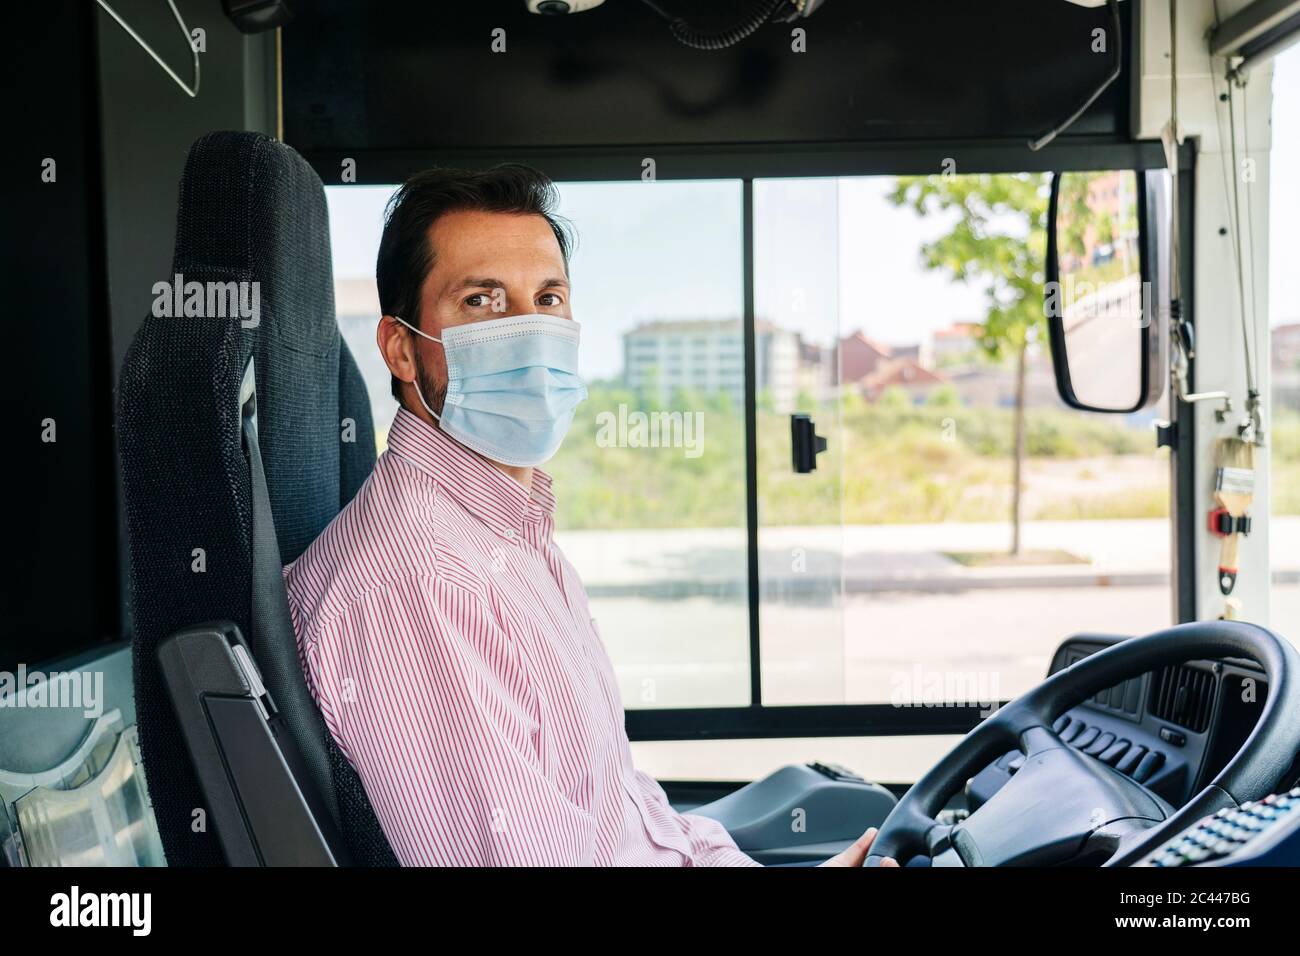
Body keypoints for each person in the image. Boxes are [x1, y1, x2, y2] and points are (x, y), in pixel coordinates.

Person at [285, 164, 898, 867]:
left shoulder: (507, 531)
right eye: (483, 301)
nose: (528, 330)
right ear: (400, 348)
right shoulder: (419, 582)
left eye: (547, 298)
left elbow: (620, 814)